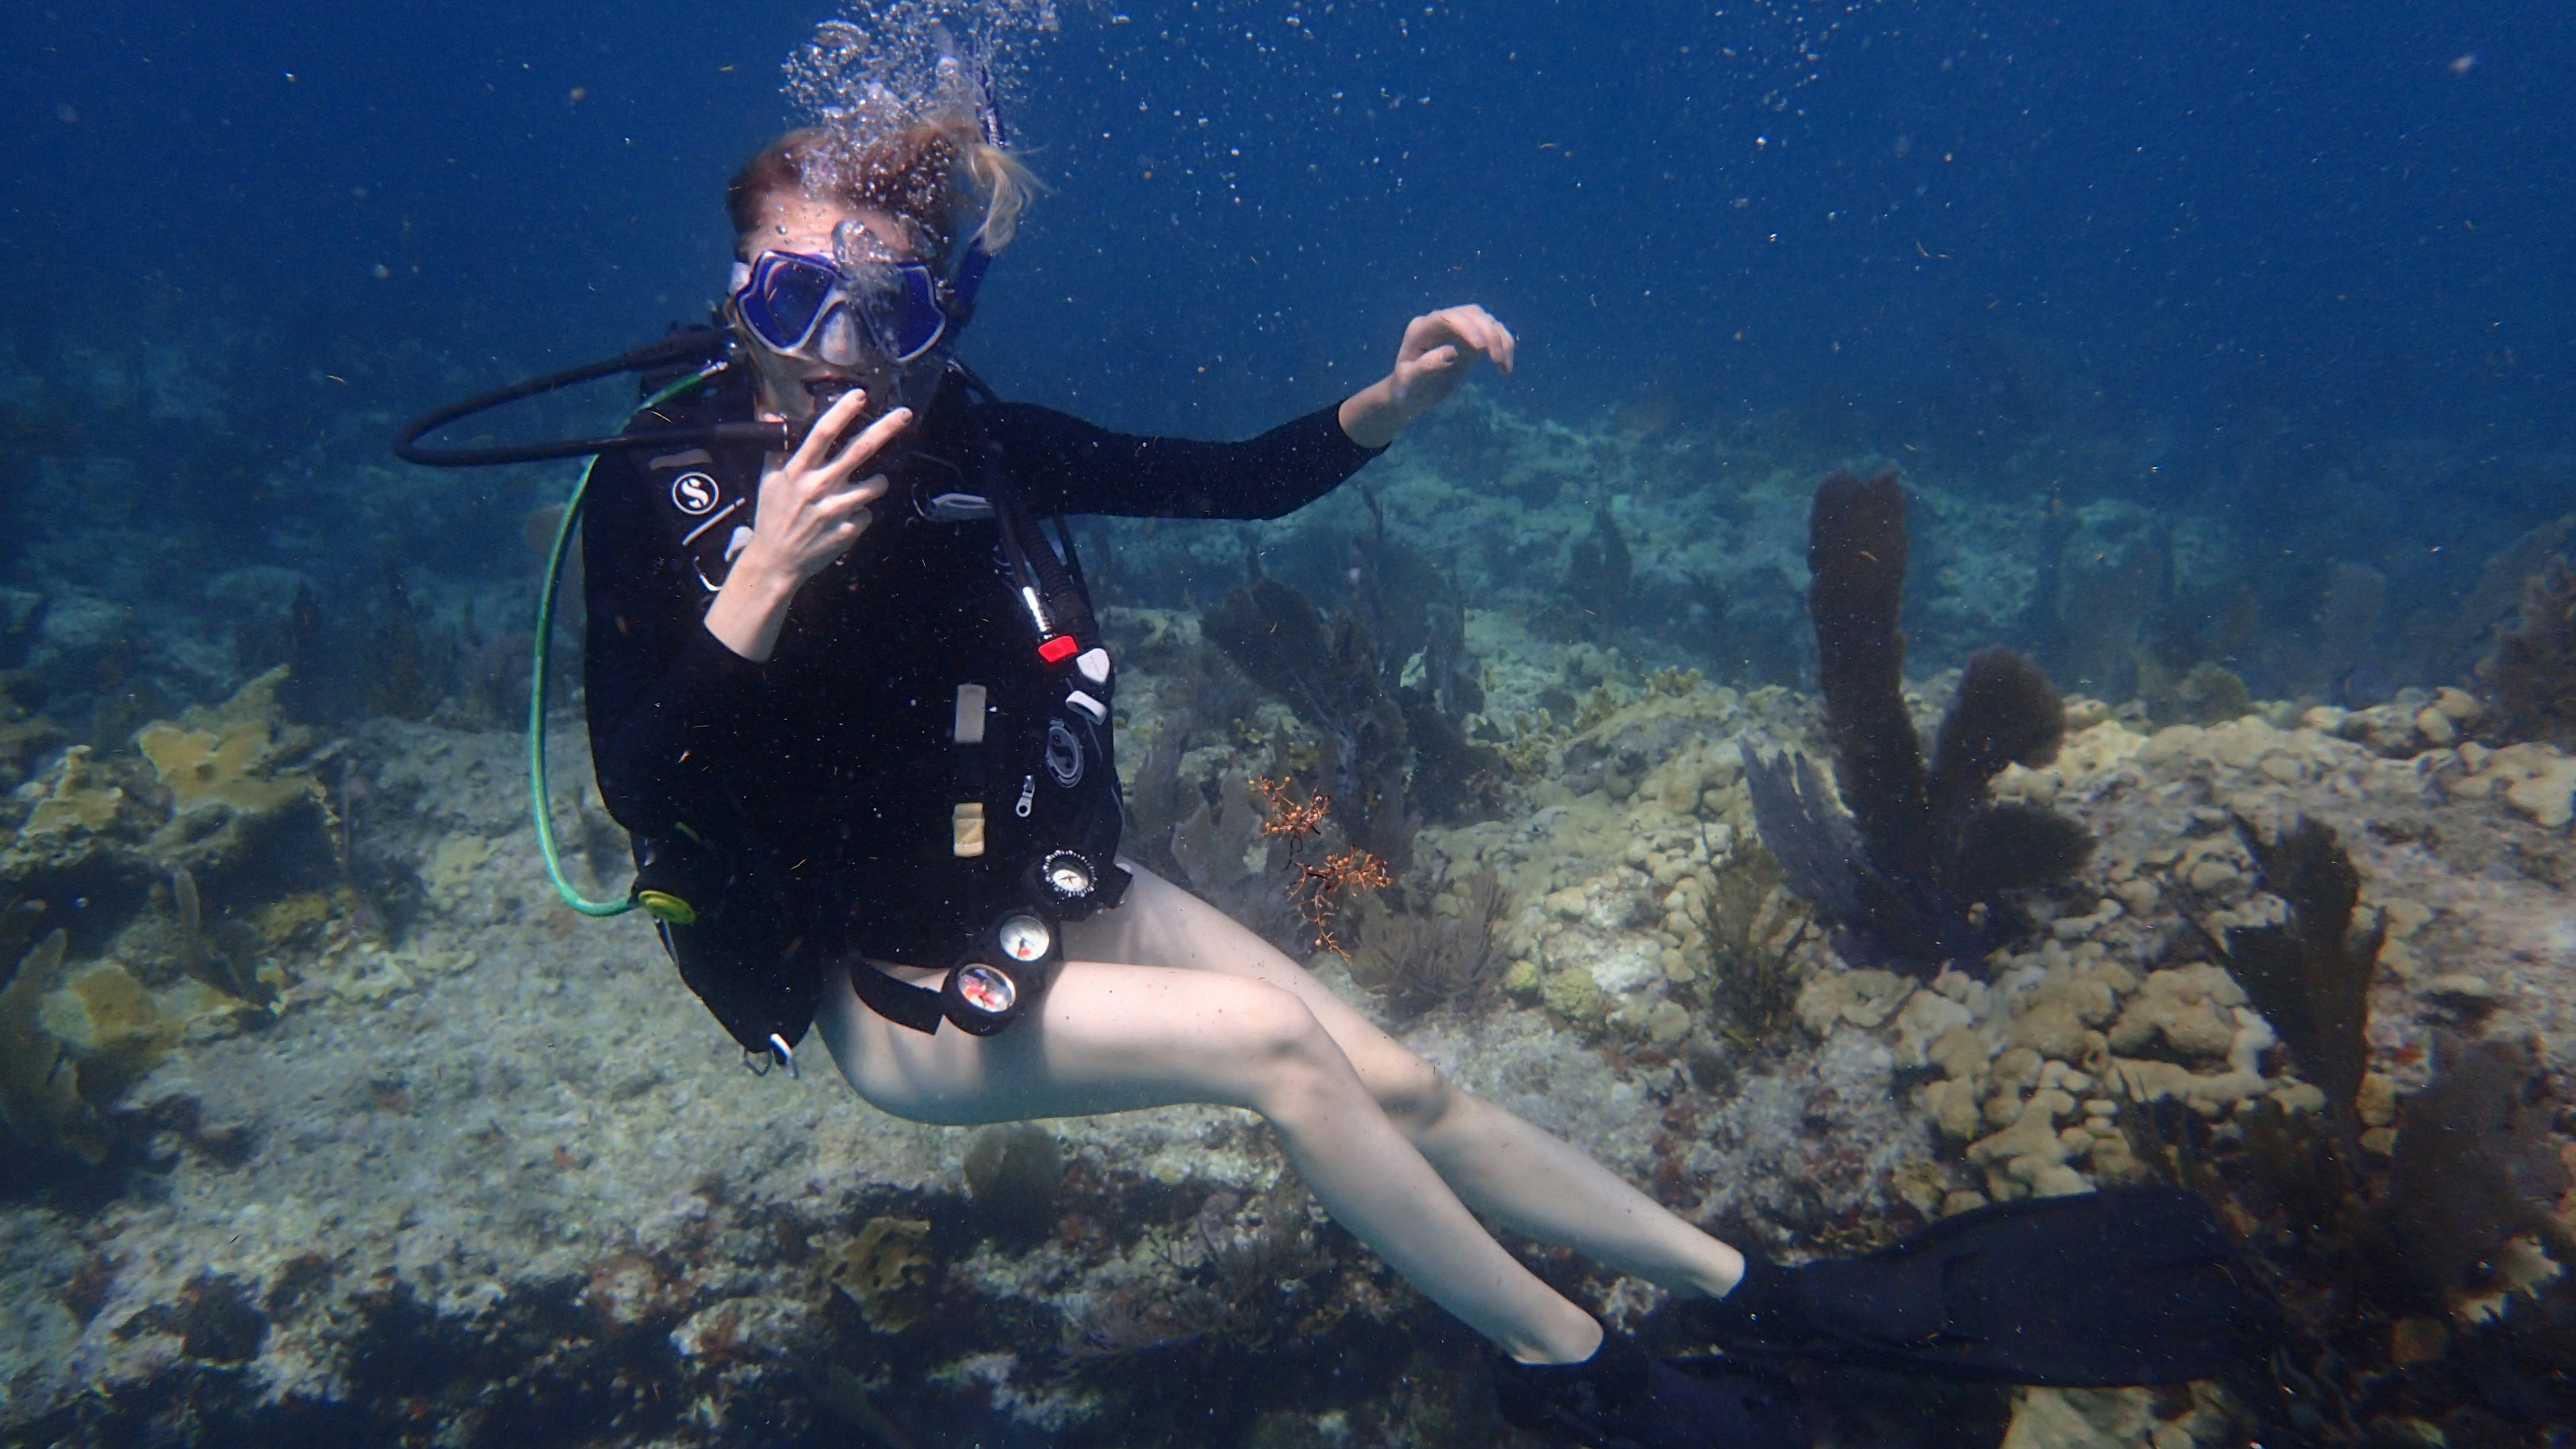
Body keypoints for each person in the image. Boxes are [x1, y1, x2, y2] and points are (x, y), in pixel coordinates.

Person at [579, 117, 2257, 1449]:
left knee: (1408, 1083)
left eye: (897, 306)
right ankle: (1586, 1376)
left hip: (1044, 890)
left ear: (951, 316)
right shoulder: (658, 492)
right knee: (1282, 1057)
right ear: (737, 297)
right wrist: (758, 586)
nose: (844, 353)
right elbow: (643, 786)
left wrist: (1388, 404)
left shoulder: (976, 440)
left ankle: (1753, 1288)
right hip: (895, 995)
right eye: (798, 300)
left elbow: (1231, 482)